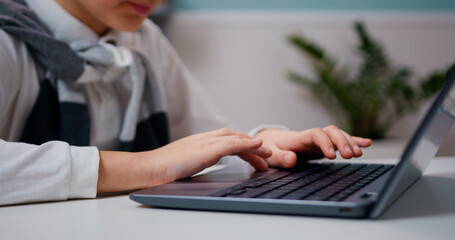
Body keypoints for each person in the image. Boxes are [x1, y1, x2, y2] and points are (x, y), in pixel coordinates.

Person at [0, 0, 372, 206]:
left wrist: (260, 142)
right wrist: (146, 166)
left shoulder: (144, 39)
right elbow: (166, 161)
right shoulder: (7, 38)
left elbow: (198, 136)